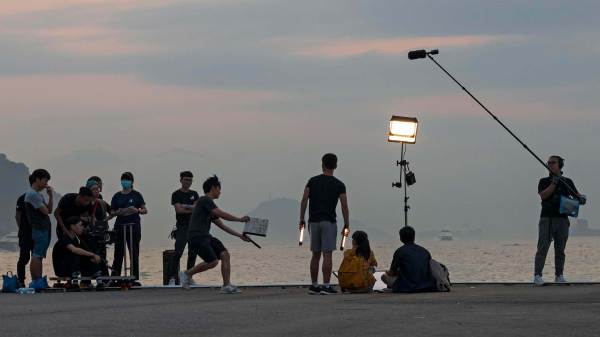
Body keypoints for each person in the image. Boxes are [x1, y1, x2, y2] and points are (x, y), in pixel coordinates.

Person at [179, 175, 251, 293]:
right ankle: (187, 274)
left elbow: (222, 225)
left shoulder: (208, 206)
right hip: (196, 237)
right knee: (213, 262)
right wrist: (240, 219)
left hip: (205, 236)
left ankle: (226, 285)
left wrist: (240, 236)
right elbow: (222, 214)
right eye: (219, 189)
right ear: (213, 188)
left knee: (224, 254)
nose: (220, 192)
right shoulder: (204, 200)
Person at [299, 153, 350, 295]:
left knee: (315, 254)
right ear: (336, 166)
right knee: (327, 254)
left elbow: (304, 200)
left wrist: (302, 219)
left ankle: (314, 285)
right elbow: (344, 206)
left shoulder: (312, 181)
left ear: (322, 164)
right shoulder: (339, 184)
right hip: (329, 222)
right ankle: (326, 285)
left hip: (313, 222)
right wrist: (347, 224)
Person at [534, 155, 585, 286]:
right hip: (547, 218)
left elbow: (577, 196)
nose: (550, 165)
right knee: (543, 247)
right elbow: (544, 195)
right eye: (548, 163)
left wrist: (581, 198)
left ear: (560, 165)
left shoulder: (568, 181)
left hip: (562, 219)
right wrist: (554, 182)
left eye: (553, 162)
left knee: (560, 249)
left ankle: (559, 275)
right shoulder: (544, 181)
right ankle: (537, 276)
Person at [110, 172, 147, 282]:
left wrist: (137, 210)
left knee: (134, 253)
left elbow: (144, 210)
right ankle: (115, 277)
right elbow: (112, 211)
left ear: (131, 182)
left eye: (127, 180)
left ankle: (134, 278)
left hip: (133, 226)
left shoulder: (136, 195)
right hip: (120, 226)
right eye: (123, 180)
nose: (125, 182)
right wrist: (118, 212)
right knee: (118, 253)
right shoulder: (117, 196)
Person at [382, 226, 435, 293]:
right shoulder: (425, 251)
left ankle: (394, 288)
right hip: (427, 285)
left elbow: (392, 273)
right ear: (414, 237)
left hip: (408, 287)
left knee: (383, 276)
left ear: (401, 238)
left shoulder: (400, 251)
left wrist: (388, 272)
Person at [24, 169, 54, 288]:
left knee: (39, 255)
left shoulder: (38, 195)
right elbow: (46, 211)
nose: (46, 184)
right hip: (39, 229)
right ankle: (36, 281)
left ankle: (38, 280)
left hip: (43, 229)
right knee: (37, 255)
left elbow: (50, 210)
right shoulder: (32, 194)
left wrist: (51, 196)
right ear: (37, 179)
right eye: (45, 180)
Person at [169, 171, 200, 284]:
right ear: (181, 180)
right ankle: (172, 277)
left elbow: (197, 209)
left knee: (193, 252)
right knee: (178, 252)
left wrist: (185, 206)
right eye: (186, 179)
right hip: (181, 227)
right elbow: (179, 210)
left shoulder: (195, 194)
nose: (188, 182)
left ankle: (189, 276)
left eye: (190, 180)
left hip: (193, 227)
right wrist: (191, 207)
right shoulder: (176, 194)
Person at [83, 178, 113, 276]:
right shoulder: (85, 203)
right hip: (88, 234)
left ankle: (104, 278)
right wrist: (88, 219)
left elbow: (112, 212)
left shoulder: (102, 202)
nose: (96, 191)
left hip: (100, 233)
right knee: (88, 255)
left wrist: (106, 220)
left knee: (102, 256)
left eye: (97, 189)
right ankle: (87, 280)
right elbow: (79, 216)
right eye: (94, 189)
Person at [15, 175, 35, 287]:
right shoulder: (22, 198)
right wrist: (21, 229)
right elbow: (17, 215)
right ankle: (21, 280)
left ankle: (35, 280)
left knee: (36, 257)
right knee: (24, 257)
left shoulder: (38, 197)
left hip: (36, 233)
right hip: (25, 233)